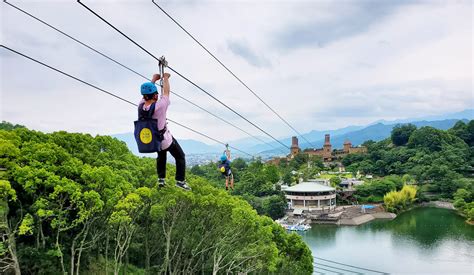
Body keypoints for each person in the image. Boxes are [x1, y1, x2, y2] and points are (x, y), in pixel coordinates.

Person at [139, 71, 190, 191]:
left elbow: (145, 95)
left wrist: (153, 80)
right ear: (155, 95)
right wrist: (166, 78)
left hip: (153, 140)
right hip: (165, 140)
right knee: (180, 156)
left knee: (161, 155)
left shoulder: (141, 106)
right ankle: (180, 181)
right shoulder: (160, 106)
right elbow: (166, 93)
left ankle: (161, 179)